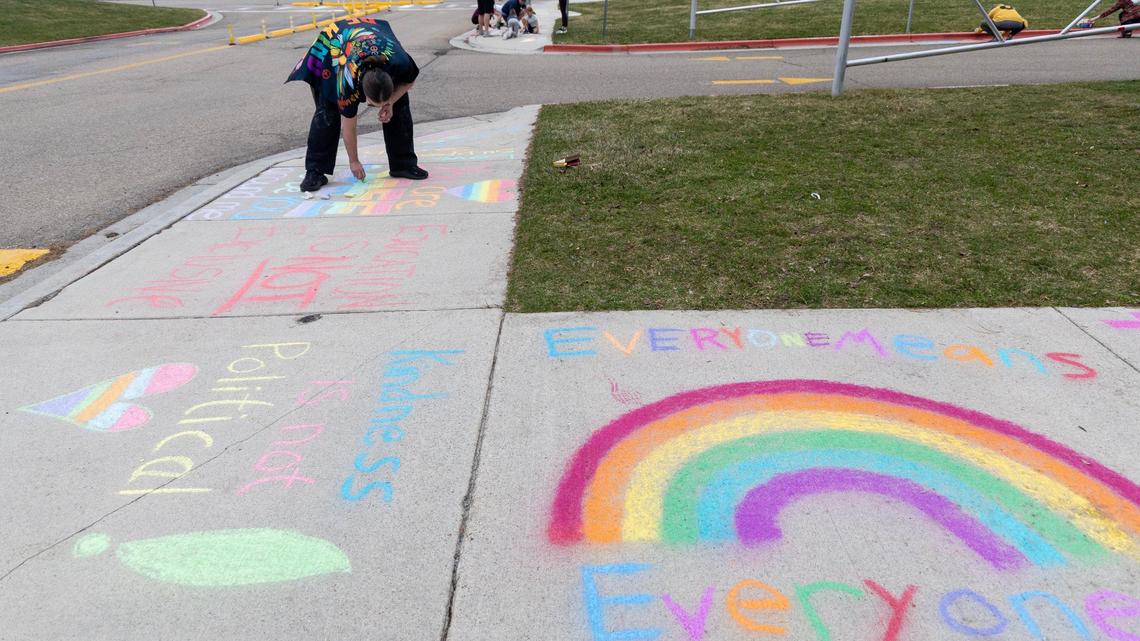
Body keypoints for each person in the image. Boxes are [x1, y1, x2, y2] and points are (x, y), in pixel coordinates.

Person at [287, 17, 428, 192]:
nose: (379, 107)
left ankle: (403, 164)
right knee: (327, 113)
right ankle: (315, 171)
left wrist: (390, 102)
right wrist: (354, 161)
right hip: (331, 51)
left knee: (401, 105)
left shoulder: (400, 62)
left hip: (373, 38)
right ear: (362, 94)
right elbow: (349, 127)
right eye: (374, 104)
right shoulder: (346, 84)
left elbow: (408, 82)